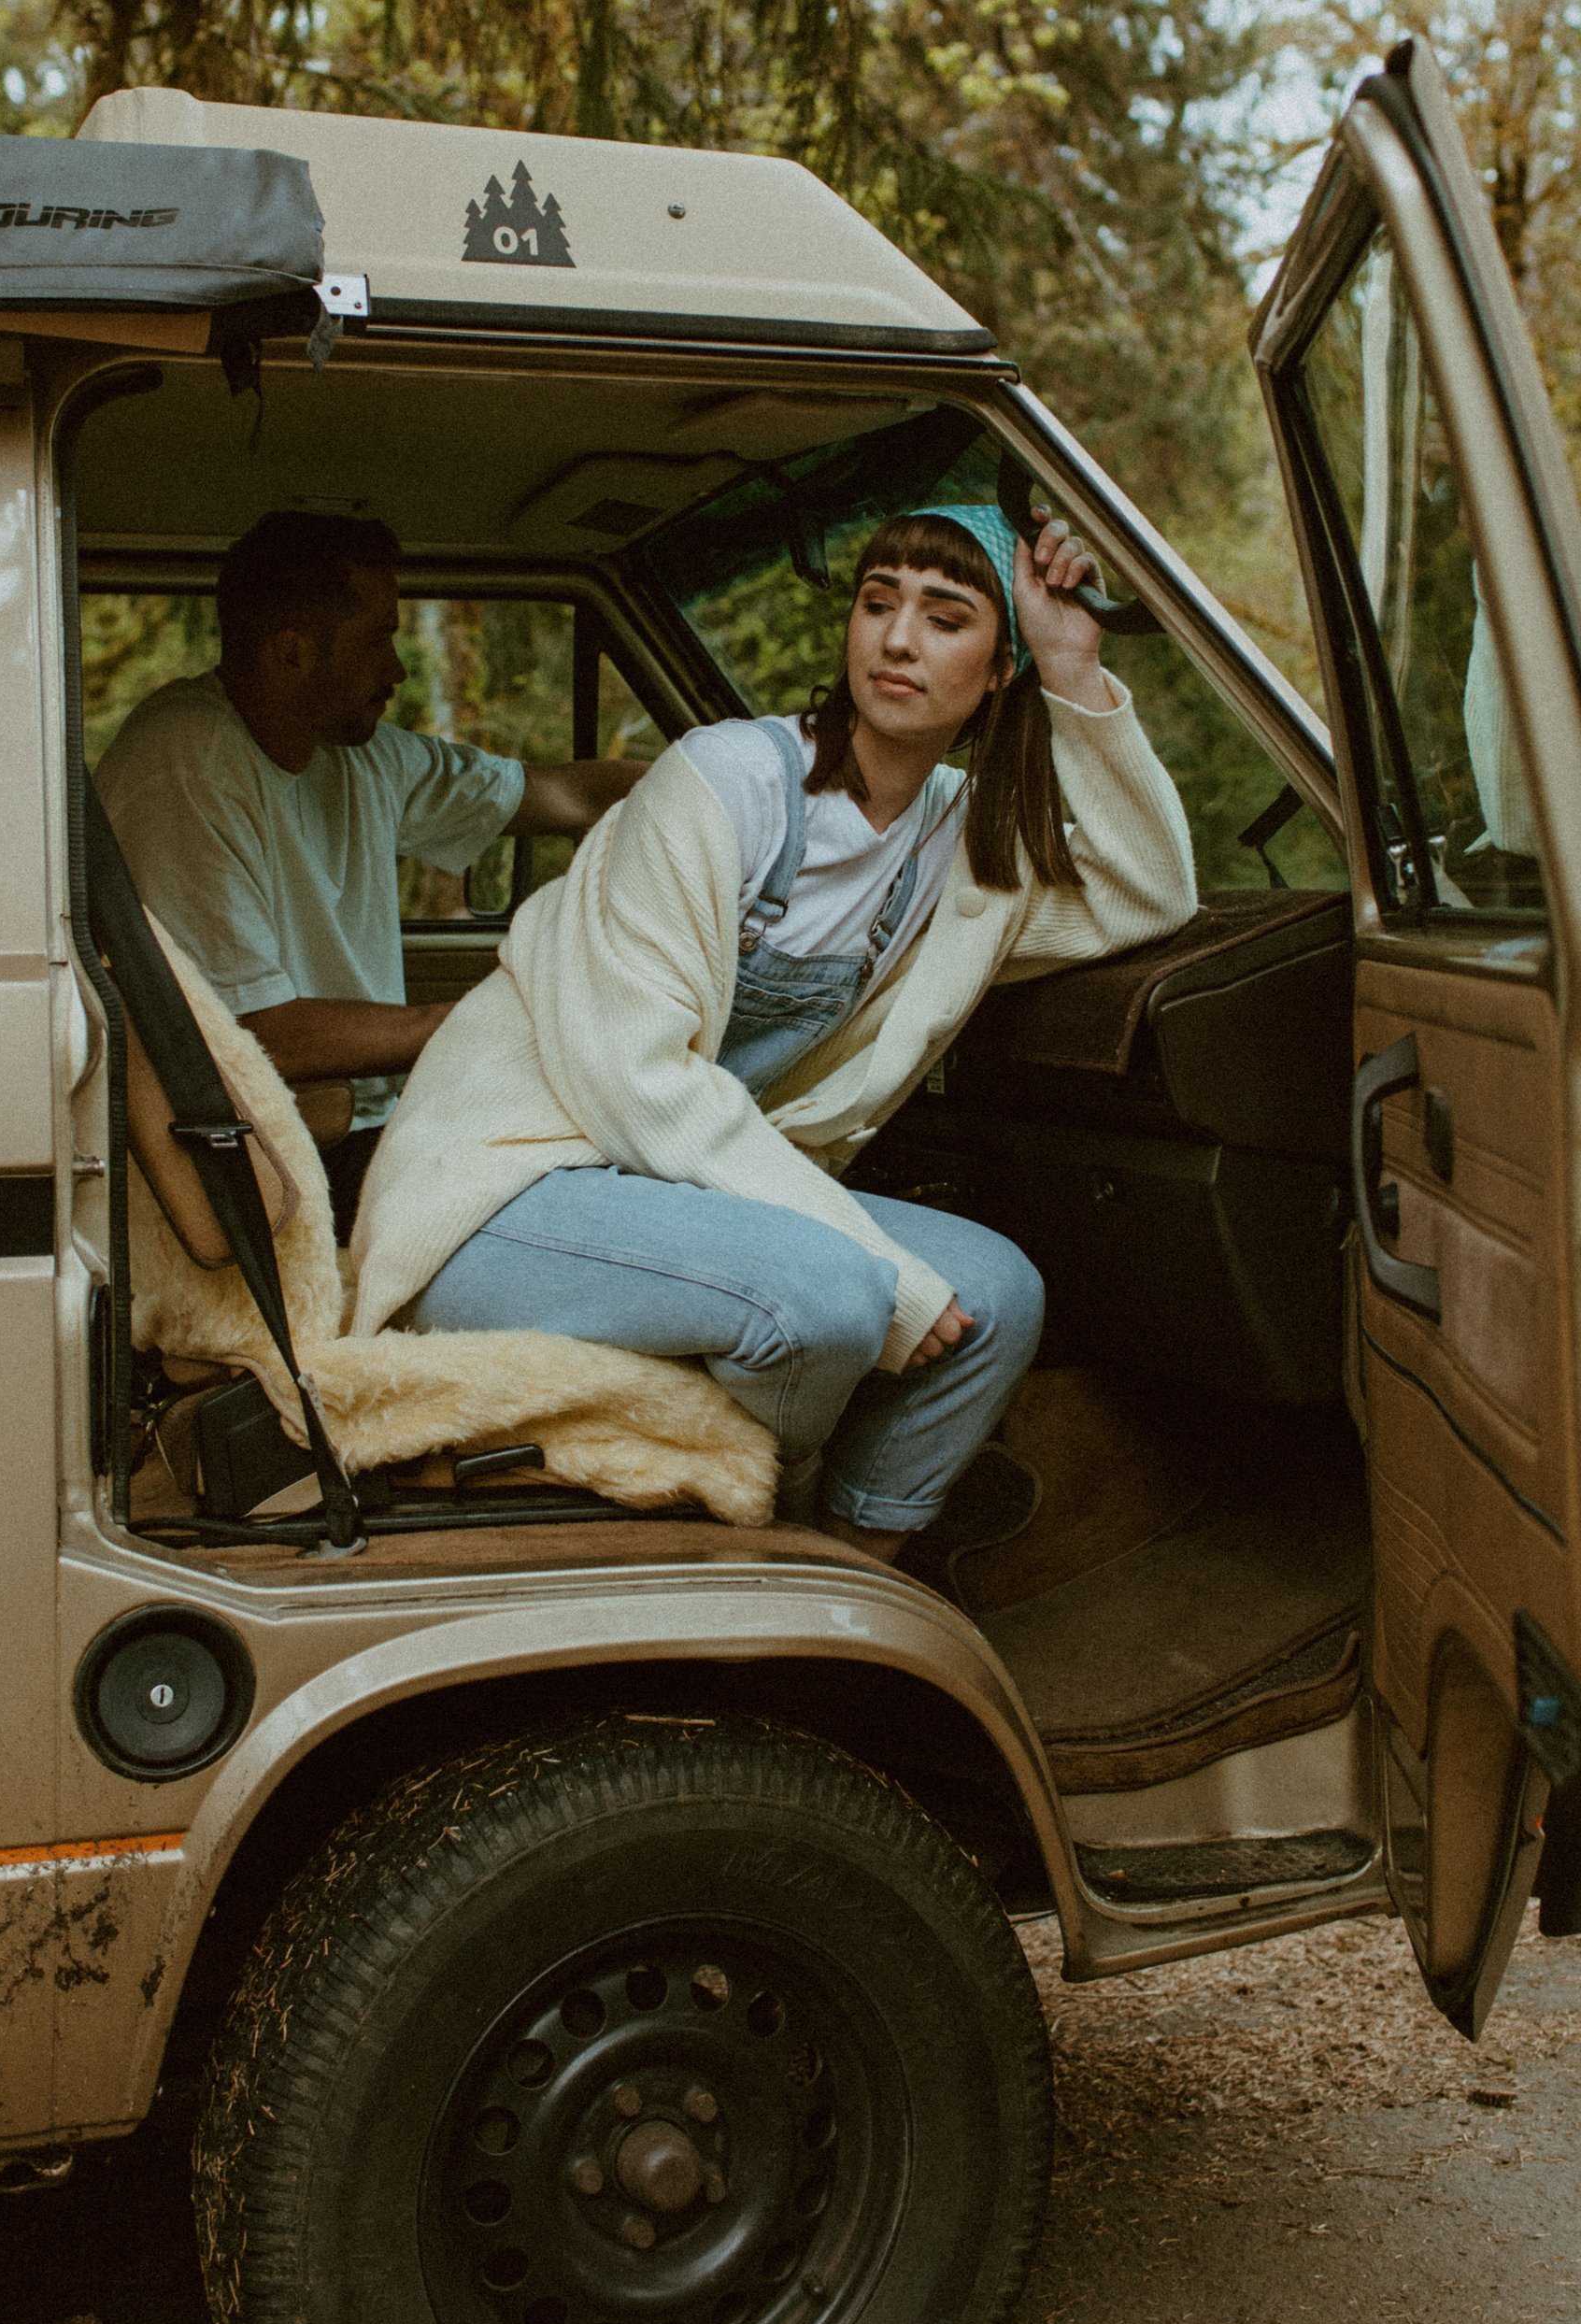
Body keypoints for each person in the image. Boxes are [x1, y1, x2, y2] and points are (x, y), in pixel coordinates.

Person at [349, 500, 1199, 1557]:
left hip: (683, 1196)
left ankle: (852, 1567)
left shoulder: (962, 838)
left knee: (999, 1297)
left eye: (945, 616)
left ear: (998, 671)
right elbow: (639, 1082)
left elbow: (1151, 893)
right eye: (877, 601)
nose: (895, 637)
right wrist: (869, 1264)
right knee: (833, 1297)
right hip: (510, 1190)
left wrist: (1072, 664)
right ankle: (763, 1546)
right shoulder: (723, 781)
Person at [95, 510, 640, 1234]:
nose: (397, 671)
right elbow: (259, 1034)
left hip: (369, 1133)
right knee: (590, 1218)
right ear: (291, 653)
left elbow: (567, 795)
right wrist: (485, 1020)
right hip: (271, 1155)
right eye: (376, 640)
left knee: (614, 1183)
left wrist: (749, 779)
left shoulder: (360, 756)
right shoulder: (186, 761)